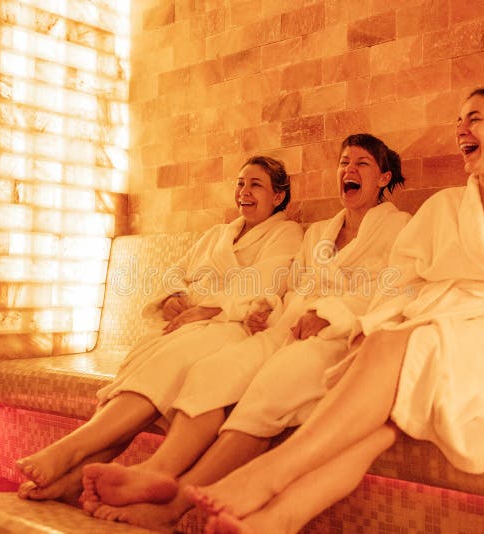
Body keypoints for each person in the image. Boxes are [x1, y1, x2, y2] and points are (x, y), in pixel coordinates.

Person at [183, 87, 484, 534]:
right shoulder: (446, 206)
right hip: (442, 328)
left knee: (402, 345)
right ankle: (278, 520)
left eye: (474, 118)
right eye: (458, 121)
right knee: (383, 414)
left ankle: (268, 474)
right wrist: (369, 322)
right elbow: (402, 285)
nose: (460, 129)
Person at [78, 133, 413, 529]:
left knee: (270, 389)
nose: (349, 170)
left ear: (383, 178)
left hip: (342, 339)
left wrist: (332, 315)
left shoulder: (400, 229)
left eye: (361, 164)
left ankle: (177, 501)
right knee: (212, 371)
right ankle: (159, 471)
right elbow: (289, 289)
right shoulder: (319, 232)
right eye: (343, 162)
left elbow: (397, 293)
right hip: (286, 330)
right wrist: (264, 309)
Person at [15, 155, 304, 504]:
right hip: (188, 326)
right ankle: (75, 475)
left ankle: (71, 450)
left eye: (256, 184)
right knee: (147, 364)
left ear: (278, 196)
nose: (244, 192)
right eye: (240, 183)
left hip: (230, 327)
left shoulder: (287, 232)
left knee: (169, 363)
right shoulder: (218, 234)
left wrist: (206, 308)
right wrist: (175, 297)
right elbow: (175, 272)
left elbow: (266, 281)